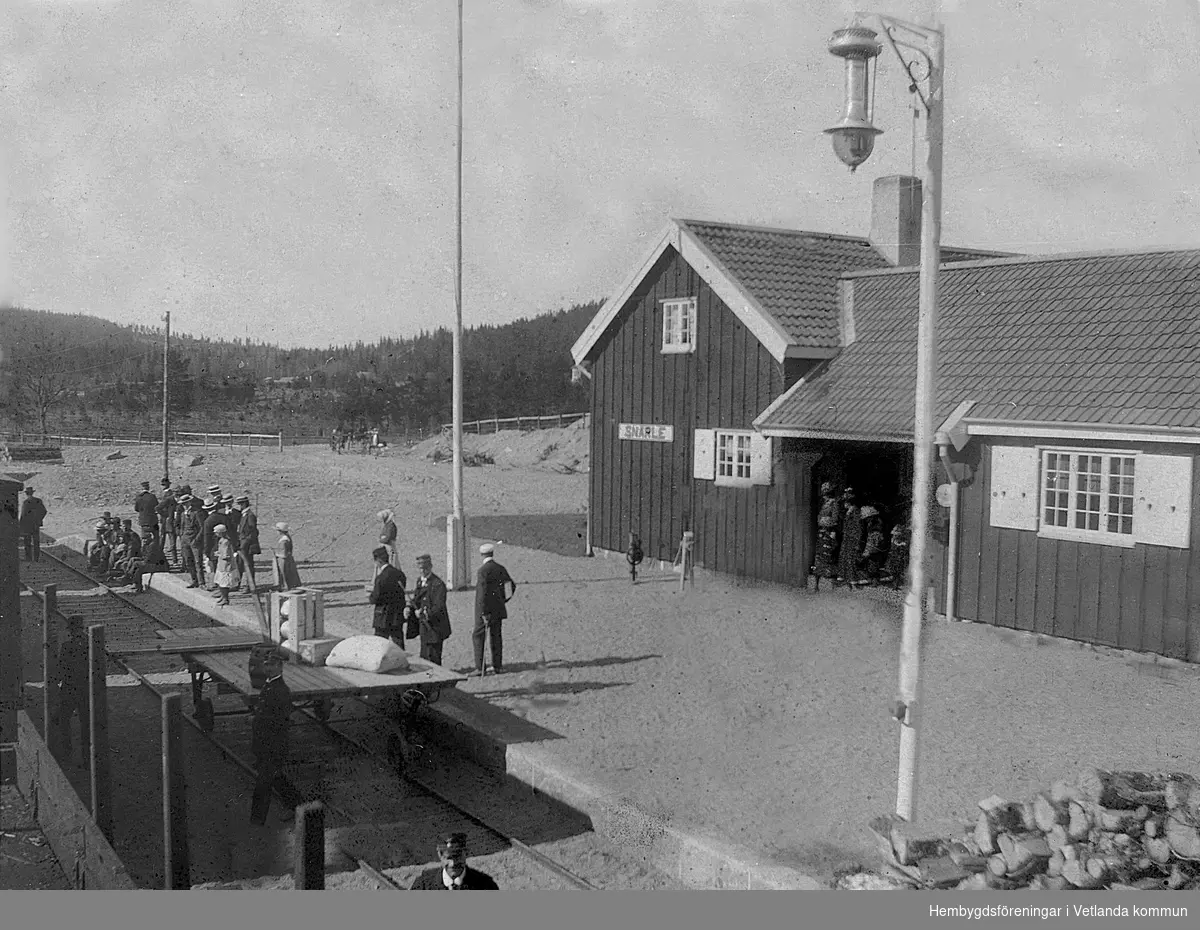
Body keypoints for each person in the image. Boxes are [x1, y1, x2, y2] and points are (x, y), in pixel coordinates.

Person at [248, 653, 303, 826]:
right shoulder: (270, 685)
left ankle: (257, 821)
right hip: (266, 742)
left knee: (264, 782)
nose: (268, 668)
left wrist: (256, 720)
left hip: (274, 743)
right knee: (275, 777)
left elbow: (279, 720)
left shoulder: (281, 690)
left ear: (280, 666)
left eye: (272, 665)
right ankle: (298, 804)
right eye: (266, 665)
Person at [53, 615, 91, 767]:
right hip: (86, 689)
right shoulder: (90, 645)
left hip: (69, 689)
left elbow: (61, 668)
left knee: (62, 720)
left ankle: (66, 753)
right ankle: (87, 759)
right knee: (86, 724)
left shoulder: (66, 646)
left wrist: (56, 683)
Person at [473, 543, 516, 677]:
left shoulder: (482, 571)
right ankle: (497, 666)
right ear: (492, 554)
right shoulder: (500, 568)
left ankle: (480, 668)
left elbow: (482, 594)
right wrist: (503, 600)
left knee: (478, 636)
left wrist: (483, 613)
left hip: (485, 611)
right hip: (498, 609)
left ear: (482, 555)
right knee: (496, 637)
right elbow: (512, 586)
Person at [405, 554, 452, 665]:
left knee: (434, 657)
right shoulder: (420, 581)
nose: (422, 571)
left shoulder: (438, 584)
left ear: (430, 567)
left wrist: (424, 613)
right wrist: (408, 608)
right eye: (420, 568)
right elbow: (417, 599)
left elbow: (439, 606)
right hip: (424, 627)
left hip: (435, 627)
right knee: (425, 655)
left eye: (425, 568)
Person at [410, 833, 499, 890]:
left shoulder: (486, 886)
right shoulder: (423, 886)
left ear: (466, 853)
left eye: (457, 857)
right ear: (440, 856)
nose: (453, 864)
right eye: (448, 858)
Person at [369, 546, 407, 646]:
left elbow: (375, 598)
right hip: (396, 615)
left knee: (379, 645)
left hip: (382, 617)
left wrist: (370, 596)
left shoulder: (380, 578)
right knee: (398, 643)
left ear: (378, 561)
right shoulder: (400, 574)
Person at [811, 481, 841, 592]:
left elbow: (834, 519)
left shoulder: (834, 503)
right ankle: (817, 582)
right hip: (822, 531)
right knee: (819, 554)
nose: (824, 494)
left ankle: (829, 583)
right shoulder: (823, 504)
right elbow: (819, 518)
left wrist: (826, 522)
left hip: (829, 531)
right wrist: (821, 521)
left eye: (826, 492)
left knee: (828, 553)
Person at [837, 487, 862, 588]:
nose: (844, 504)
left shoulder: (855, 511)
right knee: (844, 555)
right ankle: (844, 576)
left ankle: (852, 578)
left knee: (850, 557)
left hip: (853, 537)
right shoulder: (848, 512)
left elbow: (857, 527)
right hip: (847, 536)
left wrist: (856, 538)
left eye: (845, 502)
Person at [179, 495, 205, 588]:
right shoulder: (182, 514)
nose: (184, 505)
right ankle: (194, 580)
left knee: (198, 562)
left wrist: (196, 539)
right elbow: (181, 526)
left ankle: (202, 582)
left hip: (194, 540)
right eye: (182, 504)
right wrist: (182, 536)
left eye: (185, 503)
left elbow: (202, 528)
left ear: (189, 503)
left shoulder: (196, 513)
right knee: (188, 561)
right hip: (185, 540)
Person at [236, 494, 260, 591]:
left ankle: (250, 585)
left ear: (245, 504)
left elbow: (253, 532)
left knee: (248, 566)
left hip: (247, 546)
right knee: (240, 565)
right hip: (242, 544)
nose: (240, 506)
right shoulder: (244, 515)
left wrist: (245, 543)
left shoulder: (250, 516)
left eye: (241, 504)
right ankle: (239, 584)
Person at [18, 486, 48, 562]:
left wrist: (20, 526)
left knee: (27, 542)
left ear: (26, 494)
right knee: (36, 542)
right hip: (36, 525)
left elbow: (23, 515)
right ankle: (36, 559)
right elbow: (44, 511)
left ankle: (28, 558)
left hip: (27, 526)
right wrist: (39, 520)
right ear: (32, 493)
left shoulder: (26, 502)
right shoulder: (38, 501)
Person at [212, 524, 239, 606]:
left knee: (224, 584)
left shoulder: (225, 542)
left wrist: (218, 554)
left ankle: (225, 598)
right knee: (221, 582)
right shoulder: (222, 540)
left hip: (226, 566)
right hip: (221, 565)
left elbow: (226, 555)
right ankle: (223, 597)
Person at [201, 499, 224, 587]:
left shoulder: (208, 521)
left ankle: (216, 584)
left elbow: (207, 538)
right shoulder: (223, 517)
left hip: (213, 547)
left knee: (213, 566)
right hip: (224, 544)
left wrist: (206, 551)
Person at [275, 522, 303, 590]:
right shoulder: (287, 537)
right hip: (288, 559)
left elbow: (283, 554)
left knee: (285, 575)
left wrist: (276, 554)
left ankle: (286, 588)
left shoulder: (284, 540)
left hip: (284, 561)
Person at [157, 480, 178, 565]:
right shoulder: (166, 494)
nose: (162, 486)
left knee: (170, 540)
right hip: (165, 520)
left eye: (163, 485)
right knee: (163, 539)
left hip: (168, 520)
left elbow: (159, 507)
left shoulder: (169, 495)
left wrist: (166, 515)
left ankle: (173, 559)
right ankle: (165, 558)